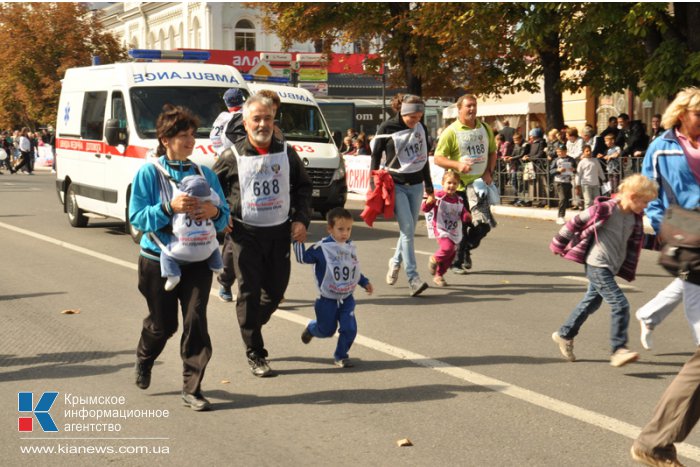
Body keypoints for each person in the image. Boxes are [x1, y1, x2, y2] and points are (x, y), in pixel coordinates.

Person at [129, 104, 230, 411]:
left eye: (191, 135)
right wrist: (169, 208)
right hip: (157, 259)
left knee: (196, 320)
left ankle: (192, 388)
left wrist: (213, 212)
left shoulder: (205, 174)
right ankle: (145, 358)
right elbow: (136, 217)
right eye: (182, 135)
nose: (189, 141)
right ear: (165, 139)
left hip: (197, 261)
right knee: (163, 325)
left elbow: (224, 218)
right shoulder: (149, 172)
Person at [212, 94, 312, 377]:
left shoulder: (285, 152)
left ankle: (251, 325)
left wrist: (301, 219)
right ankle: (255, 352)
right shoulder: (232, 156)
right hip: (246, 235)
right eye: (256, 118)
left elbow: (303, 187)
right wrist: (222, 216)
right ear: (245, 123)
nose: (263, 124)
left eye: (268, 118)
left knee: (275, 292)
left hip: (279, 233)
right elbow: (212, 188)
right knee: (249, 292)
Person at [631, 87, 700, 467]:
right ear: (682, 114)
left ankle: (655, 441)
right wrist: (679, 230)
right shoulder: (663, 147)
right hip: (692, 243)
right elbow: (653, 198)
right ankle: (654, 441)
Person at [550, 174, 659, 367]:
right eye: (645, 202)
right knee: (620, 304)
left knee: (591, 303)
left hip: (610, 266)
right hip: (597, 264)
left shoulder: (633, 217)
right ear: (633, 196)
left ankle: (564, 334)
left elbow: (641, 240)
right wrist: (559, 243)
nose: (646, 207)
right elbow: (575, 222)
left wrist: (669, 244)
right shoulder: (606, 209)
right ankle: (618, 349)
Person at [293, 207, 373, 368]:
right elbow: (303, 258)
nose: (345, 233)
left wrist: (364, 282)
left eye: (349, 229)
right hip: (327, 299)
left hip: (346, 298)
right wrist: (298, 241)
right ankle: (312, 328)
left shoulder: (349, 246)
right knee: (327, 330)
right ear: (330, 229)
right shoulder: (322, 248)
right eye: (341, 229)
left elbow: (352, 268)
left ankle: (341, 355)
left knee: (349, 328)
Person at [371, 94, 434, 297]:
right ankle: (413, 279)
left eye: (419, 117)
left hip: (416, 185)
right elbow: (375, 155)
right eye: (412, 117)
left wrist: (429, 188)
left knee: (408, 229)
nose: (416, 122)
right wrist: (373, 181)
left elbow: (423, 160)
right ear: (403, 112)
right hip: (395, 184)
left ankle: (395, 261)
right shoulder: (387, 128)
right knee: (407, 230)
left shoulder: (420, 129)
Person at [435, 94, 497, 274]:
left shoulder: (485, 128)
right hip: (459, 188)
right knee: (461, 226)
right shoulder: (451, 131)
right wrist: (457, 165)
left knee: (483, 225)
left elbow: (493, 152)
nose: (472, 109)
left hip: (479, 187)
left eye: (474, 106)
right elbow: (438, 158)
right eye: (468, 106)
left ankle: (467, 248)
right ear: (459, 109)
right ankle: (456, 262)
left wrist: (488, 172)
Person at [156, 174, 225, 292]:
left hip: (183, 248)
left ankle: (172, 275)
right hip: (205, 248)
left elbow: (173, 201)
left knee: (166, 254)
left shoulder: (181, 197)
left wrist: (169, 207)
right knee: (214, 245)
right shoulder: (210, 197)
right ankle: (218, 266)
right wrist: (215, 211)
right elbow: (219, 202)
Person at [422, 170, 471, 287]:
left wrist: (466, 216)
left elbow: (462, 212)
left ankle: (439, 275)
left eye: (455, 183)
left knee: (451, 255)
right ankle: (434, 259)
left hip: (453, 230)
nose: (451, 186)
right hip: (441, 228)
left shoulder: (459, 199)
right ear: (443, 183)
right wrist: (428, 202)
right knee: (447, 248)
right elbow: (425, 208)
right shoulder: (439, 196)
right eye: (449, 183)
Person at [210, 88, 244, 155]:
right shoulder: (251, 115)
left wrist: (220, 151)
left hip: (228, 156)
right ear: (242, 100)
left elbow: (214, 137)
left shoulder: (223, 117)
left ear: (226, 102)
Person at [549, 143, 576, 225]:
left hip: (568, 181)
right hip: (559, 181)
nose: (559, 153)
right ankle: (560, 216)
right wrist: (558, 170)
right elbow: (550, 171)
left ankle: (563, 215)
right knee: (562, 198)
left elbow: (575, 168)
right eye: (558, 152)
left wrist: (573, 169)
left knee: (567, 200)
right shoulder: (555, 160)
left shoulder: (571, 159)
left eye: (560, 151)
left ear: (565, 151)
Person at [575, 145, 606, 209]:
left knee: (597, 201)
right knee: (588, 201)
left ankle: (596, 215)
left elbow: (600, 171)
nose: (589, 152)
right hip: (586, 184)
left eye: (590, 151)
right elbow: (578, 174)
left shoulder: (595, 160)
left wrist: (604, 179)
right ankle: (587, 216)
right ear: (583, 152)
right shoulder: (581, 162)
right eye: (587, 151)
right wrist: (577, 185)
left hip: (595, 184)